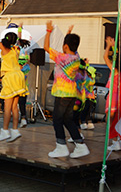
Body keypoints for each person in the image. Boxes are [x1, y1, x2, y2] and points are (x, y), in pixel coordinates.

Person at [45, 21, 90, 158]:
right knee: (67, 120)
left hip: (62, 94)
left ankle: (61, 147)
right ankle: (81, 145)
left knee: (57, 120)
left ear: (65, 46)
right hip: (72, 94)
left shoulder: (61, 58)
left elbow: (46, 47)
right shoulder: (76, 57)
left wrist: (48, 31)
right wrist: (69, 34)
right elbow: (68, 47)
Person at [0, 13, 27, 142]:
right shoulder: (16, 49)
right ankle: (15, 130)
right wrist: (19, 29)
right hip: (19, 76)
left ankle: (5, 130)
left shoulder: (5, 49)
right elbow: (18, 39)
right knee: (14, 107)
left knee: (7, 107)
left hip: (10, 77)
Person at [103, 37, 121, 151]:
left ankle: (115, 142)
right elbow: (118, 57)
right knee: (119, 121)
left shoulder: (115, 70)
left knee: (110, 120)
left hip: (113, 98)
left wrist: (109, 45)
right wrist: (114, 46)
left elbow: (105, 57)